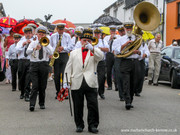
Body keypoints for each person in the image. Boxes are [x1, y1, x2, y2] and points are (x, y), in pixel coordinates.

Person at [63, 28, 104, 133]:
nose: (86, 42)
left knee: (93, 105)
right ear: (80, 40)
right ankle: (79, 125)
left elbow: (101, 56)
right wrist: (66, 82)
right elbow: (68, 68)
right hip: (77, 81)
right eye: (84, 40)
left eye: (89, 41)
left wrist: (92, 48)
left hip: (90, 81)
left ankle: (93, 125)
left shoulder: (94, 52)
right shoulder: (73, 53)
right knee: (78, 105)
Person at [114, 22, 144, 110]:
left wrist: (138, 52)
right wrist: (125, 44)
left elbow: (142, 51)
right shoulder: (120, 39)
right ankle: (127, 101)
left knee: (133, 83)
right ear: (125, 29)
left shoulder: (137, 38)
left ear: (132, 28)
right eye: (127, 28)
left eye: (130, 28)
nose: (129, 30)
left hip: (135, 62)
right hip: (125, 61)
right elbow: (116, 51)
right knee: (126, 82)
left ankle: (130, 100)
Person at [26, 26, 53, 111]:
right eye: (39, 34)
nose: (41, 36)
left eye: (43, 34)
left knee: (43, 85)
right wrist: (35, 48)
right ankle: (32, 104)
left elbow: (51, 52)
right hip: (34, 64)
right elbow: (27, 52)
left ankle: (42, 103)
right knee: (35, 85)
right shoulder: (33, 43)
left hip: (44, 64)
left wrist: (46, 45)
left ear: (45, 35)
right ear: (37, 34)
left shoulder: (47, 43)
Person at [50, 23, 73, 99]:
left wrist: (64, 48)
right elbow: (50, 46)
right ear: (57, 29)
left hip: (64, 55)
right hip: (56, 55)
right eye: (59, 29)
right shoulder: (53, 36)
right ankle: (58, 92)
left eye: (62, 29)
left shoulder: (67, 36)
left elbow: (70, 46)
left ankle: (64, 92)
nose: (61, 31)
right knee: (56, 75)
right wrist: (55, 49)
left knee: (64, 74)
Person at [16, 26, 34, 101]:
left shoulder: (33, 41)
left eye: (29, 33)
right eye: (26, 33)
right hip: (22, 61)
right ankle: (22, 92)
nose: (28, 35)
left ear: (31, 34)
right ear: (24, 34)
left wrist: (31, 45)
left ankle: (27, 94)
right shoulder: (20, 41)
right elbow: (16, 51)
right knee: (21, 77)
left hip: (30, 61)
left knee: (28, 78)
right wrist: (23, 45)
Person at [94, 28, 109, 99]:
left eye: (98, 33)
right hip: (93, 61)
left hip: (101, 62)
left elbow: (107, 50)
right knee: (93, 78)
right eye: (95, 33)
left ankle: (101, 92)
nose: (97, 35)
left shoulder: (103, 41)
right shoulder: (92, 41)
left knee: (101, 78)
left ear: (100, 34)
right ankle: (94, 93)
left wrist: (100, 49)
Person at [112, 25, 126, 101]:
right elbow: (114, 50)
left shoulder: (129, 38)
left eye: (123, 31)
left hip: (126, 58)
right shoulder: (116, 39)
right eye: (121, 31)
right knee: (119, 77)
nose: (122, 32)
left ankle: (126, 93)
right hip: (119, 58)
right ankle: (121, 95)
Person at [104, 25, 118, 90]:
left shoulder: (118, 37)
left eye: (114, 31)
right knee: (109, 70)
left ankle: (117, 85)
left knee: (116, 70)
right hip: (109, 54)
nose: (113, 32)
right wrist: (110, 39)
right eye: (111, 31)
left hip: (115, 54)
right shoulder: (106, 38)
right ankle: (109, 85)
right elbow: (105, 45)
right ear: (110, 31)